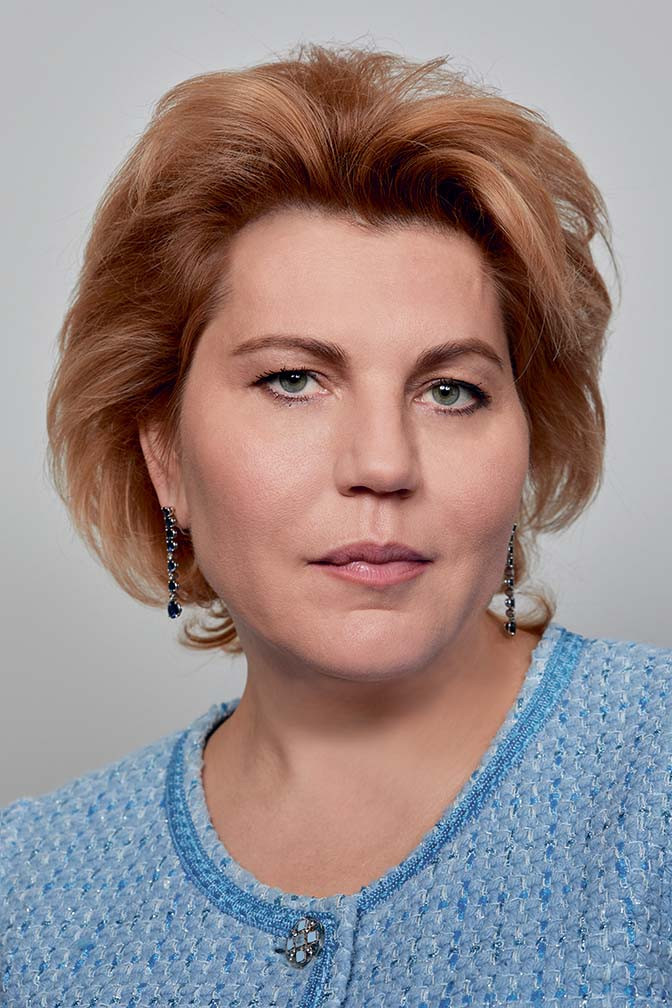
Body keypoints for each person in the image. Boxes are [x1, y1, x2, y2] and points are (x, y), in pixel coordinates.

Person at [2, 41, 670, 1006]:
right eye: (292, 380)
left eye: (451, 389)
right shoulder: (29, 892)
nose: (384, 465)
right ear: (164, 457)